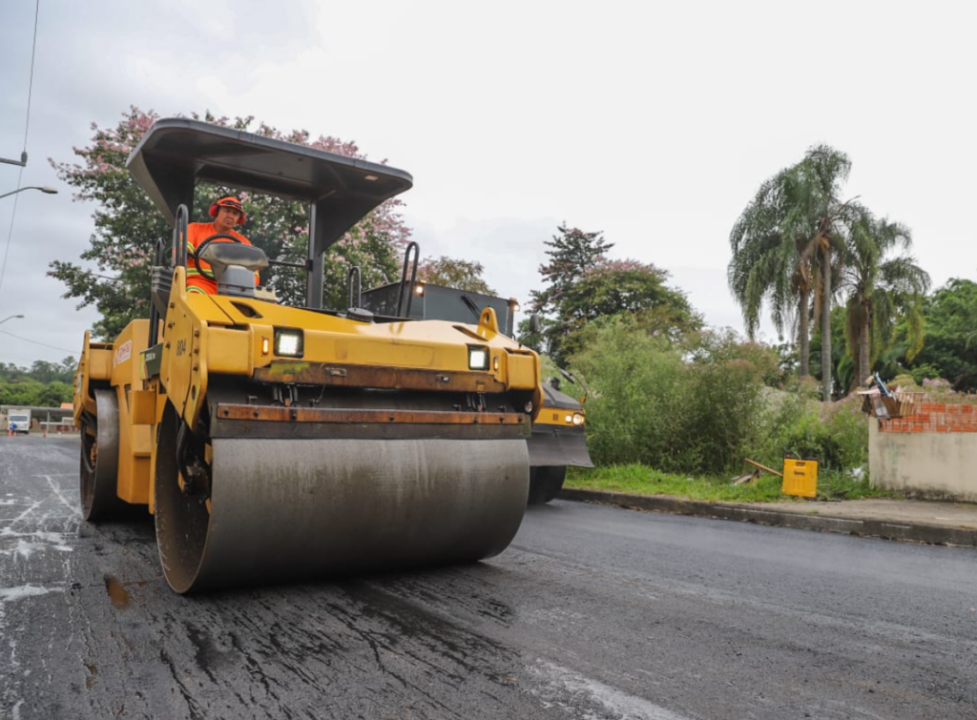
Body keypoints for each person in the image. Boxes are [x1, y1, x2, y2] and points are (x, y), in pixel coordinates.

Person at [185, 196, 258, 295]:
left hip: (232, 290)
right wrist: (189, 252)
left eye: (235, 213)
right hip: (199, 283)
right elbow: (181, 250)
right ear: (216, 211)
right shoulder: (194, 228)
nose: (231, 216)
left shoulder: (244, 242)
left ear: (239, 219)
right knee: (195, 297)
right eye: (227, 211)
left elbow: (254, 273)